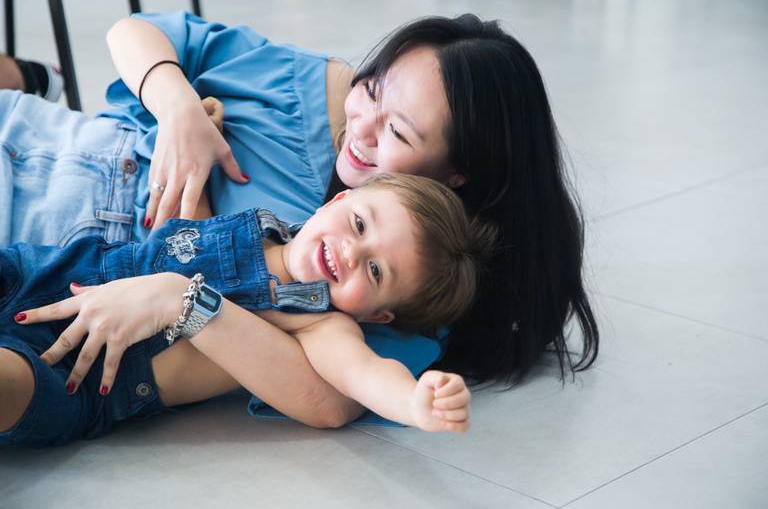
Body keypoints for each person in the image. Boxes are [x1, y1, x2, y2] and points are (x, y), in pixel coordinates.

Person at [0, 11, 599, 431]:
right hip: (43, 158)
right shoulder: (310, 99)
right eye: (373, 90)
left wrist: (179, 300)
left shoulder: (404, 268)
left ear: (455, 175)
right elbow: (134, 30)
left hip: (71, 306)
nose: (360, 128)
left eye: (397, 131)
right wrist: (179, 110)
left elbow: (343, 389)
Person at [1, 174, 495, 445]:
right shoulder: (262, 223)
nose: (351, 252)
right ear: (338, 200)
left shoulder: (321, 324)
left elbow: (363, 374)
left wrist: (413, 402)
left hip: (81, 378)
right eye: (360, 225)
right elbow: (181, 241)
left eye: (375, 272)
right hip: (49, 273)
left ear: (378, 317)